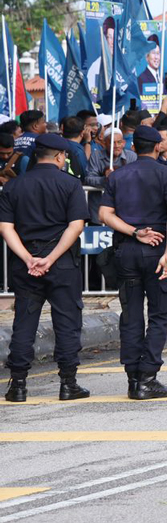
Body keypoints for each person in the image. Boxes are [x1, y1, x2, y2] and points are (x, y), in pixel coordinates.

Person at [1, 134, 92, 402]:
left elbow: (6, 228)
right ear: (59, 157)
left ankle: (17, 385)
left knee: (24, 323)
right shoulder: (70, 184)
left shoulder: (14, 187)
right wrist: (50, 258)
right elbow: (76, 226)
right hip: (61, 263)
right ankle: (68, 383)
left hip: (25, 264)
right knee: (66, 322)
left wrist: (29, 258)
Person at [97, 125, 167, 399]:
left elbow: (104, 214)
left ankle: (134, 377)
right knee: (159, 314)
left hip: (128, 249)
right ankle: (147, 376)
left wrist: (133, 232)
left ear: (134, 146)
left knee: (131, 314)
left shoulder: (118, 175)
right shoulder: (166, 173)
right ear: (158, 146)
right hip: (157, 248)